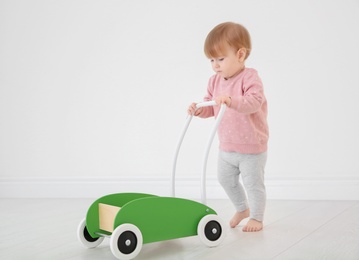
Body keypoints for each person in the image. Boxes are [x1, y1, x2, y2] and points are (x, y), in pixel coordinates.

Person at [188, 22, 269, 232]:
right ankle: (242, 208)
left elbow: (254, 102)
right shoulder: (214, 81)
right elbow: (211, 106)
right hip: (226, 147)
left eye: (221, 59)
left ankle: (257, 218)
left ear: (240, 55)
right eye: (212, 60)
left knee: (253, 185)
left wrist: (232, 100)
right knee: (224, 179)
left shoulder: (249, 77)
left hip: (251, 147)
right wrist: (199, 110)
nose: (215, 65)